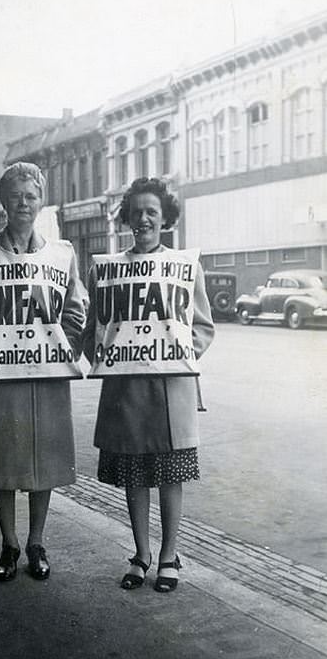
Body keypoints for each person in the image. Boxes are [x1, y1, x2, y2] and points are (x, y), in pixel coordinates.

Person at [0, 162, 85, 582]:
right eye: (15, 195)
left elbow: (76, 309)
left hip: (44, 376)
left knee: (43, 460)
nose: (23, 203)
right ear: (3, 201)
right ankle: (9, 543)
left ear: (40, 200)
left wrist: (63, 347)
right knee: (2, 460)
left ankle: (36, 542)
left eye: (30, 195)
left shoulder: (61, 254)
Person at [82, 177, 214, 592]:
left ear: (165, 218)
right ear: (126, 218)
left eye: (151, 212)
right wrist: (105, 357)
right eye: (136, 212)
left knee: (170, 474)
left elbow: (203, 326)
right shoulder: (107, 270)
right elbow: (94, 329)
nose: (143, 219)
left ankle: (169, 556)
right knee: (135, 475)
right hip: (126, 389)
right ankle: (140, 554)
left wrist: (178, 351)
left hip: (170, 387)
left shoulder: (184, 266)